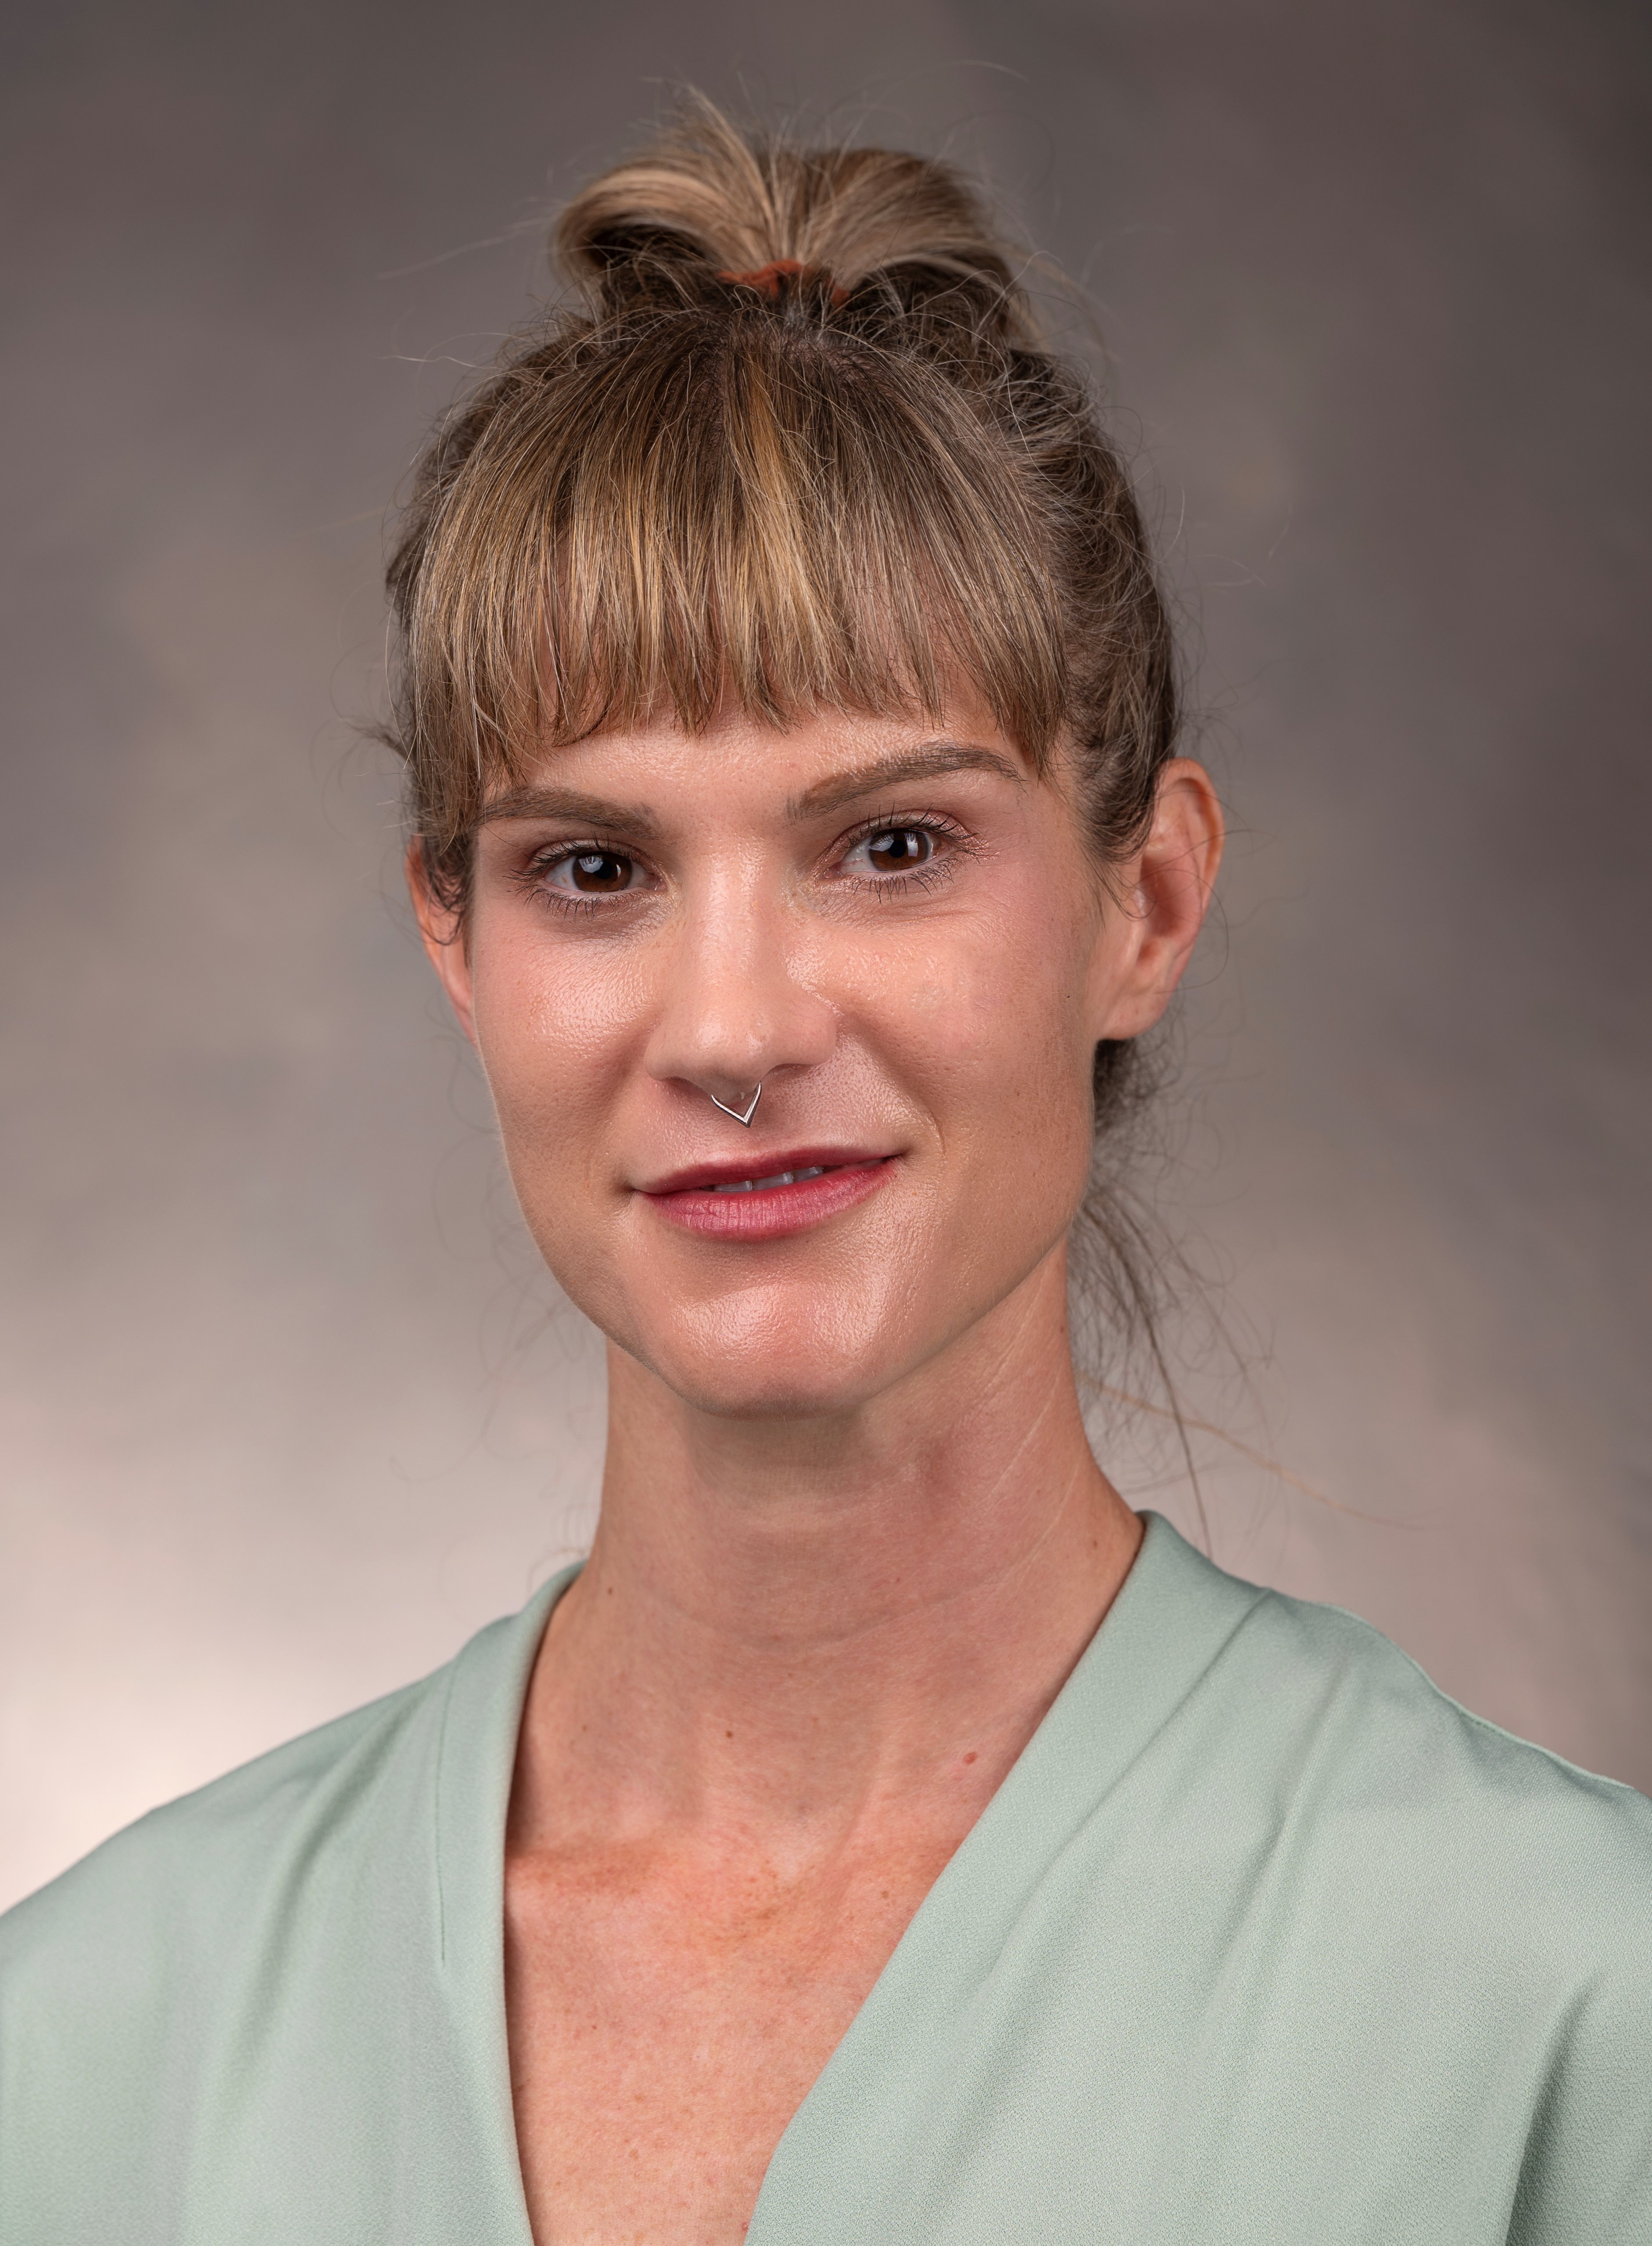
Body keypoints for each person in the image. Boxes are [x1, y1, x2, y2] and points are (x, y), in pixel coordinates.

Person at [1, 100, 1648, 2246]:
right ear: (456, 945)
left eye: (891, 845)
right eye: (593, 868)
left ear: (1143, 901)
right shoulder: (87, 2044)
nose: (735, 1027)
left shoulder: (1564, 2006)